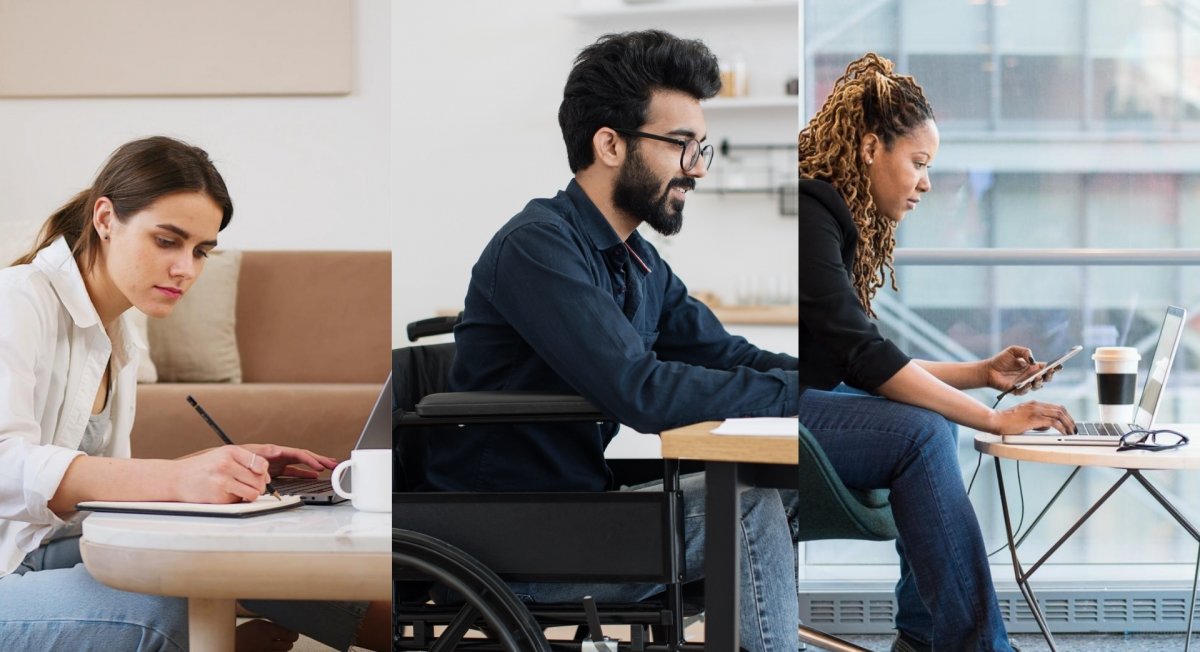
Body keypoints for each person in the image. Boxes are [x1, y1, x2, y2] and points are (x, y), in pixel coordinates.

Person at [420, 30, 802, 652]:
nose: (698, 168)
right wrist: (793, 395)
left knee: (791, 487)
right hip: (511, 534)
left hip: (581, 509)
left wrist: (825, 382)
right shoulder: (538, 246)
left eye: (701, 147)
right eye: (681, 145)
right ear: (610, 144)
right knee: (748, 505)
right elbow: (642, 393)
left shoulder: (637, 259)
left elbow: (729, 356)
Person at [0, 136, 389, 651]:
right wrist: (175, 477)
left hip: (50, 546)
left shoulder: (121, 335)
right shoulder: (17, 300)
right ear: (105, 218)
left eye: (201, 250)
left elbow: (98, 494)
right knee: (163, 607)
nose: (186, 269)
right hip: (9, 566)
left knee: (248, 554)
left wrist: (209, 470)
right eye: (167, 241)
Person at [798, 53, 1078, 651]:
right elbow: (866, 361)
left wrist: (981, 374)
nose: (927, 181)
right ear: (871, 147)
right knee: (923, 432)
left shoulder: (829, 214)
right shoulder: (810, 215)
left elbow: (863, 358)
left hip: (807, 397)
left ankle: (924, 638)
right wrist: (993, 418)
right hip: (773, 406)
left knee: (930, 424)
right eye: (919, 163)